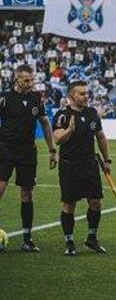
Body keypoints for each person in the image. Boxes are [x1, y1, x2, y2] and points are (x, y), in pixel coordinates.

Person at [0, 64, 57, 252]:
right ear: (16, 79)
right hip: (5, 150)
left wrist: (52, 149)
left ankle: (27, 239)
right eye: (26, 80)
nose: (30, 83)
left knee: (27, 193)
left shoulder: (36, 98)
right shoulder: (5, 98)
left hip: (27, 152)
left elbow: (45, 123)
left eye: (32, 80)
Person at [52, 80, 112, 256]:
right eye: (82, 94)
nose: (86, 96)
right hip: (70, 165)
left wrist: (107, 159)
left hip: (90, 164)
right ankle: (69, 241)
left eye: (87, 93)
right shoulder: (62, 115)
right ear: (72, 96)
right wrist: (69, 130)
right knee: (69, 204)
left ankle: (91, 238)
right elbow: (57, 138)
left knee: (95, 202)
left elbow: (100, 137)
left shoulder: (92, 113)